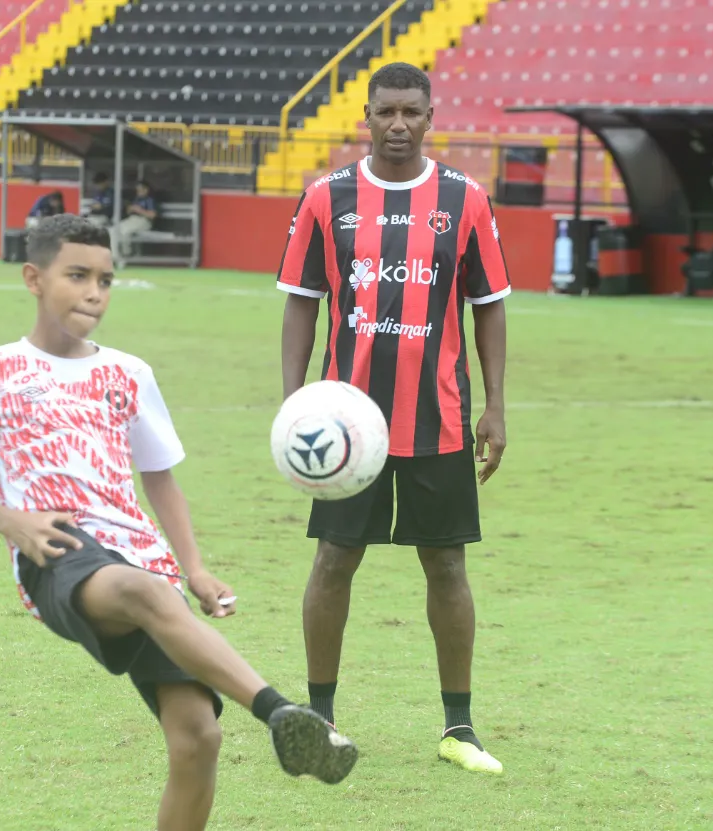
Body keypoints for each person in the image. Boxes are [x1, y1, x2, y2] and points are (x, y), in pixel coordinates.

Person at [0, 215, 358, 831]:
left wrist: (195, 568)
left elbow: (160, 479)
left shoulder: (129, 373)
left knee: (198, 739)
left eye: (105, 280)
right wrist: (15, 523)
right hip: (56, 547)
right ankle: (280, 712)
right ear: (33, 278)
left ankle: (273, 721)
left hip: (141, 558)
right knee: (142, 591)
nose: (94, 293)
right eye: (77, 276)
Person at [276, 62, 509, 775]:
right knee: (335, 559)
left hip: (438, 415)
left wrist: (496, 404)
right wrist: (294, 403)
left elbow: (489, 305)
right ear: (367, 116)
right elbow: (300, 301)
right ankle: (320, 718)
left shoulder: (465, 199)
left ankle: (459, 727)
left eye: (412, 111)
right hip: (346, 429)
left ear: (431, 115)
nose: (399, 124)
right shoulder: (326, 197)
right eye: (386, 112)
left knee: (445, 563)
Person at [116, 179, 159, 257]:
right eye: (137, 190)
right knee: (115, 229)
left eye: (140, 190)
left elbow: (152, 215)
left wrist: (140, 210)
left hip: (144, 221)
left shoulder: (150, 200)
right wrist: (130, 209)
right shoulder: (137, 199)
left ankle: (126, 254)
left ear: (146, 190)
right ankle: (115, 255)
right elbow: (129, 212)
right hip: (132, 220)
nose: (138, 191)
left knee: (125, 231)